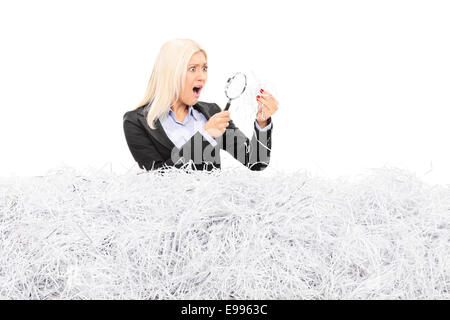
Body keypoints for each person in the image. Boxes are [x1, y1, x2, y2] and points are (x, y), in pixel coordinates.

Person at [123, 38, 279, 172]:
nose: (202, 77)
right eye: (192, 69)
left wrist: (262, 121)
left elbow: (256, 162)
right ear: (170, 73)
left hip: (213, 206)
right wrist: (205, 136)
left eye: (204, 68)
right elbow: (158, 179)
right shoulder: (136, 121)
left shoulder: (211, 112)